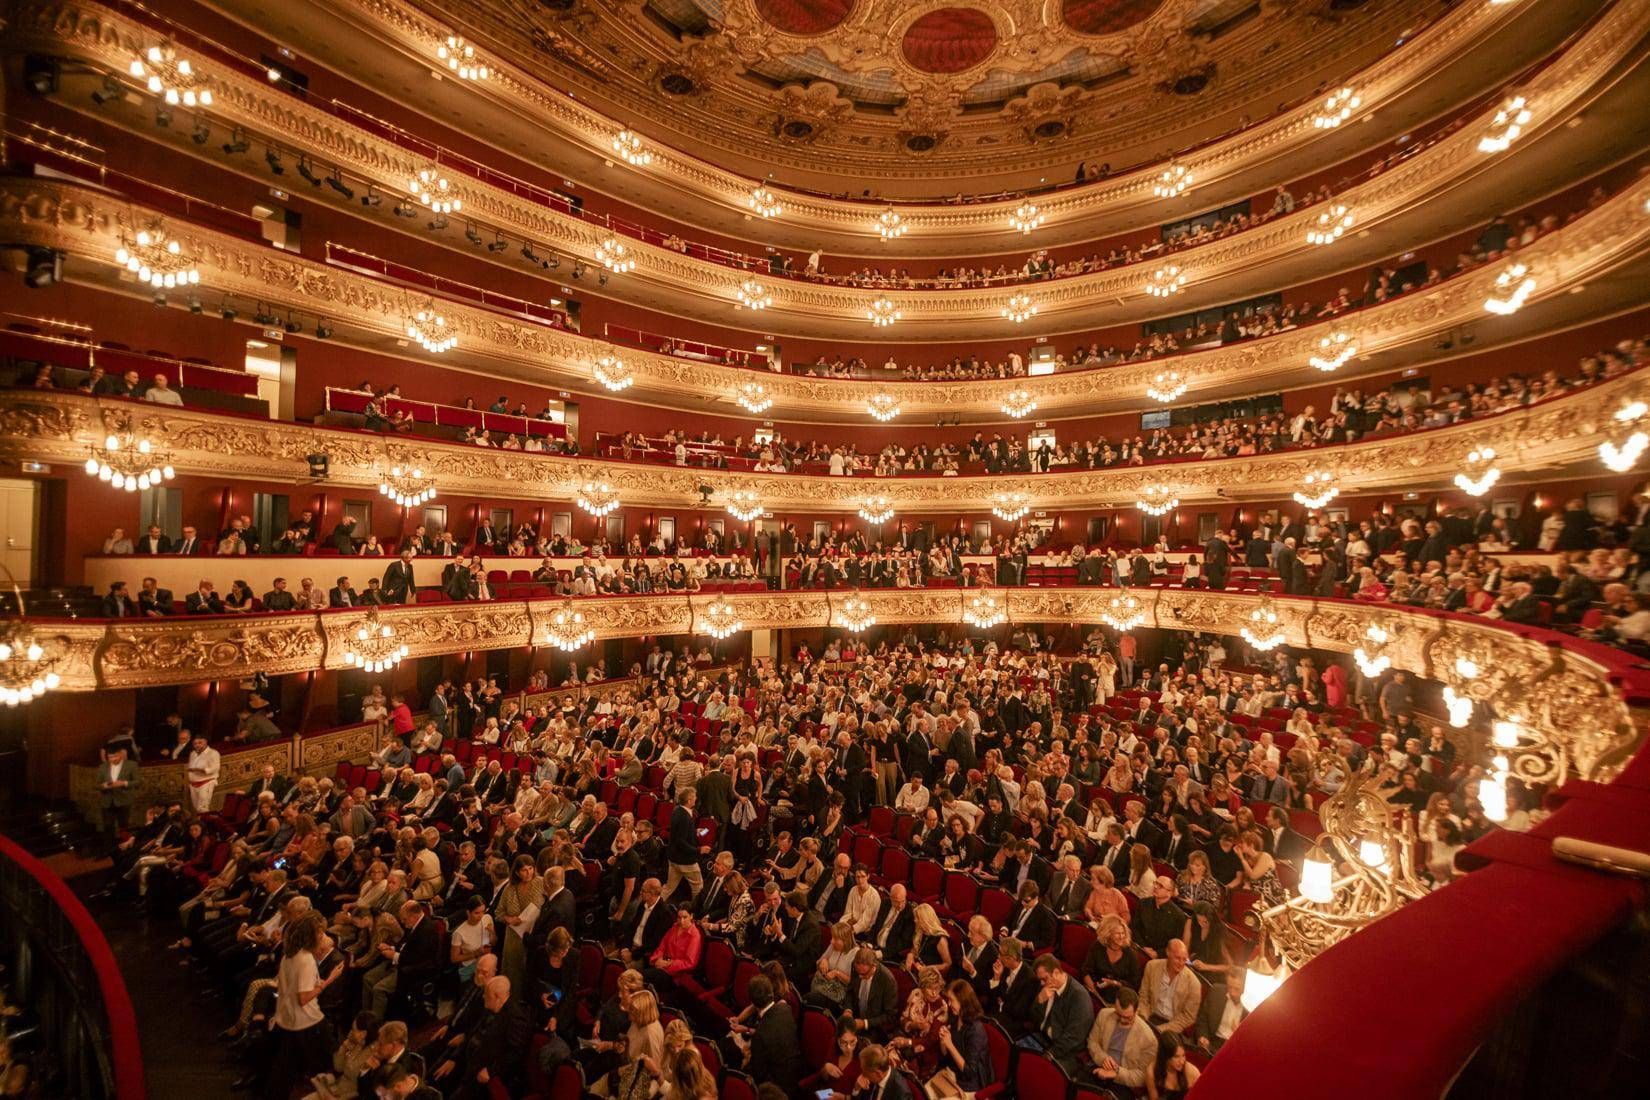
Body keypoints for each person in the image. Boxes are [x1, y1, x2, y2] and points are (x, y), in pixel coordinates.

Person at [265, 911, 342, 1099]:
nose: (322, 936)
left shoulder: (289, 954)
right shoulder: (306, 959)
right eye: (319, 933)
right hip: (308, 1019)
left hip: (289, 1018)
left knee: (285, 1067)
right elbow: (304, 998)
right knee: (331, 1060)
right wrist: (328, 981)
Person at [926, 980, 992, 1099]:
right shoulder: (955, 1018)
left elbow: (969, 1072)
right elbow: (945, 1057)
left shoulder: (976, 1030)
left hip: (968, 1085)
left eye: (952, 1000)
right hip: (951, 1075)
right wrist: (943, 1042)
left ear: (963, 1002)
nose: (949, 1004)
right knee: (923, 1093)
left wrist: (950, 1045)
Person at [1084, 987, 1157, 1092]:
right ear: (1115, 1006)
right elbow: (1092, 1042)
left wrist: (1116, 1073)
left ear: (1136, 1011)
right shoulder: (1104, 1014)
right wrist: (1103, 1058)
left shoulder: (1149, 1039)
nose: (1122, 1020)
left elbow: (1142, 1076)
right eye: (1119, 1014)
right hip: (1097, 1066)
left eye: (1128, 1017)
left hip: (1123, 1082)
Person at [1136, 939, 1202, 1036]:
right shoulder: (1152, 966)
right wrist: (1142, 1019)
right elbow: (1143, 997)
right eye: (1177, 958)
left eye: (1184, 959)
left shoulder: (1194, 984)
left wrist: (1160, 1030)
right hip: (1150, 1015)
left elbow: (1188, 1017)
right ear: (1168, 953)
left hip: (1172, 1025)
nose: (1181, 963)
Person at [1145, 1035, 1200, 1100]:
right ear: (1165, 1056)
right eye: (1176, 1057)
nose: (1182, 1061)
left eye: (1183, 1055)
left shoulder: (1192, 1072)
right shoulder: (1151, 1072)